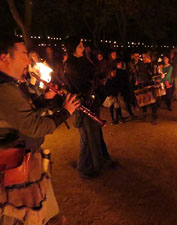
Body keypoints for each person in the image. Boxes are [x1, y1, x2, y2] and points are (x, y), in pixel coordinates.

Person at [0, 35, 79, 224]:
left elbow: (25, 112)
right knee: (20, 215)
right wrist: (65, 112)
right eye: (23, 54)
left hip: (21, 160)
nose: (28, 60)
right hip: (13, 166)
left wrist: (45, 98)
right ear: (4, 58)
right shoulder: (4, 89)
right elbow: (35, 127)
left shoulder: (10, 86)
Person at [64, 36, 116, 179]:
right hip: (82, 104)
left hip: (92, 102)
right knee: (87, 137)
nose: (83, 48)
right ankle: (84, 168)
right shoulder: (70, 65)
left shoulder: (84, 60)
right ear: (72, 48)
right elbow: (81, 84)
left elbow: (93, 75)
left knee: (94, 134)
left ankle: (100, 161)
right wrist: (94, 81)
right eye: (79, 46)